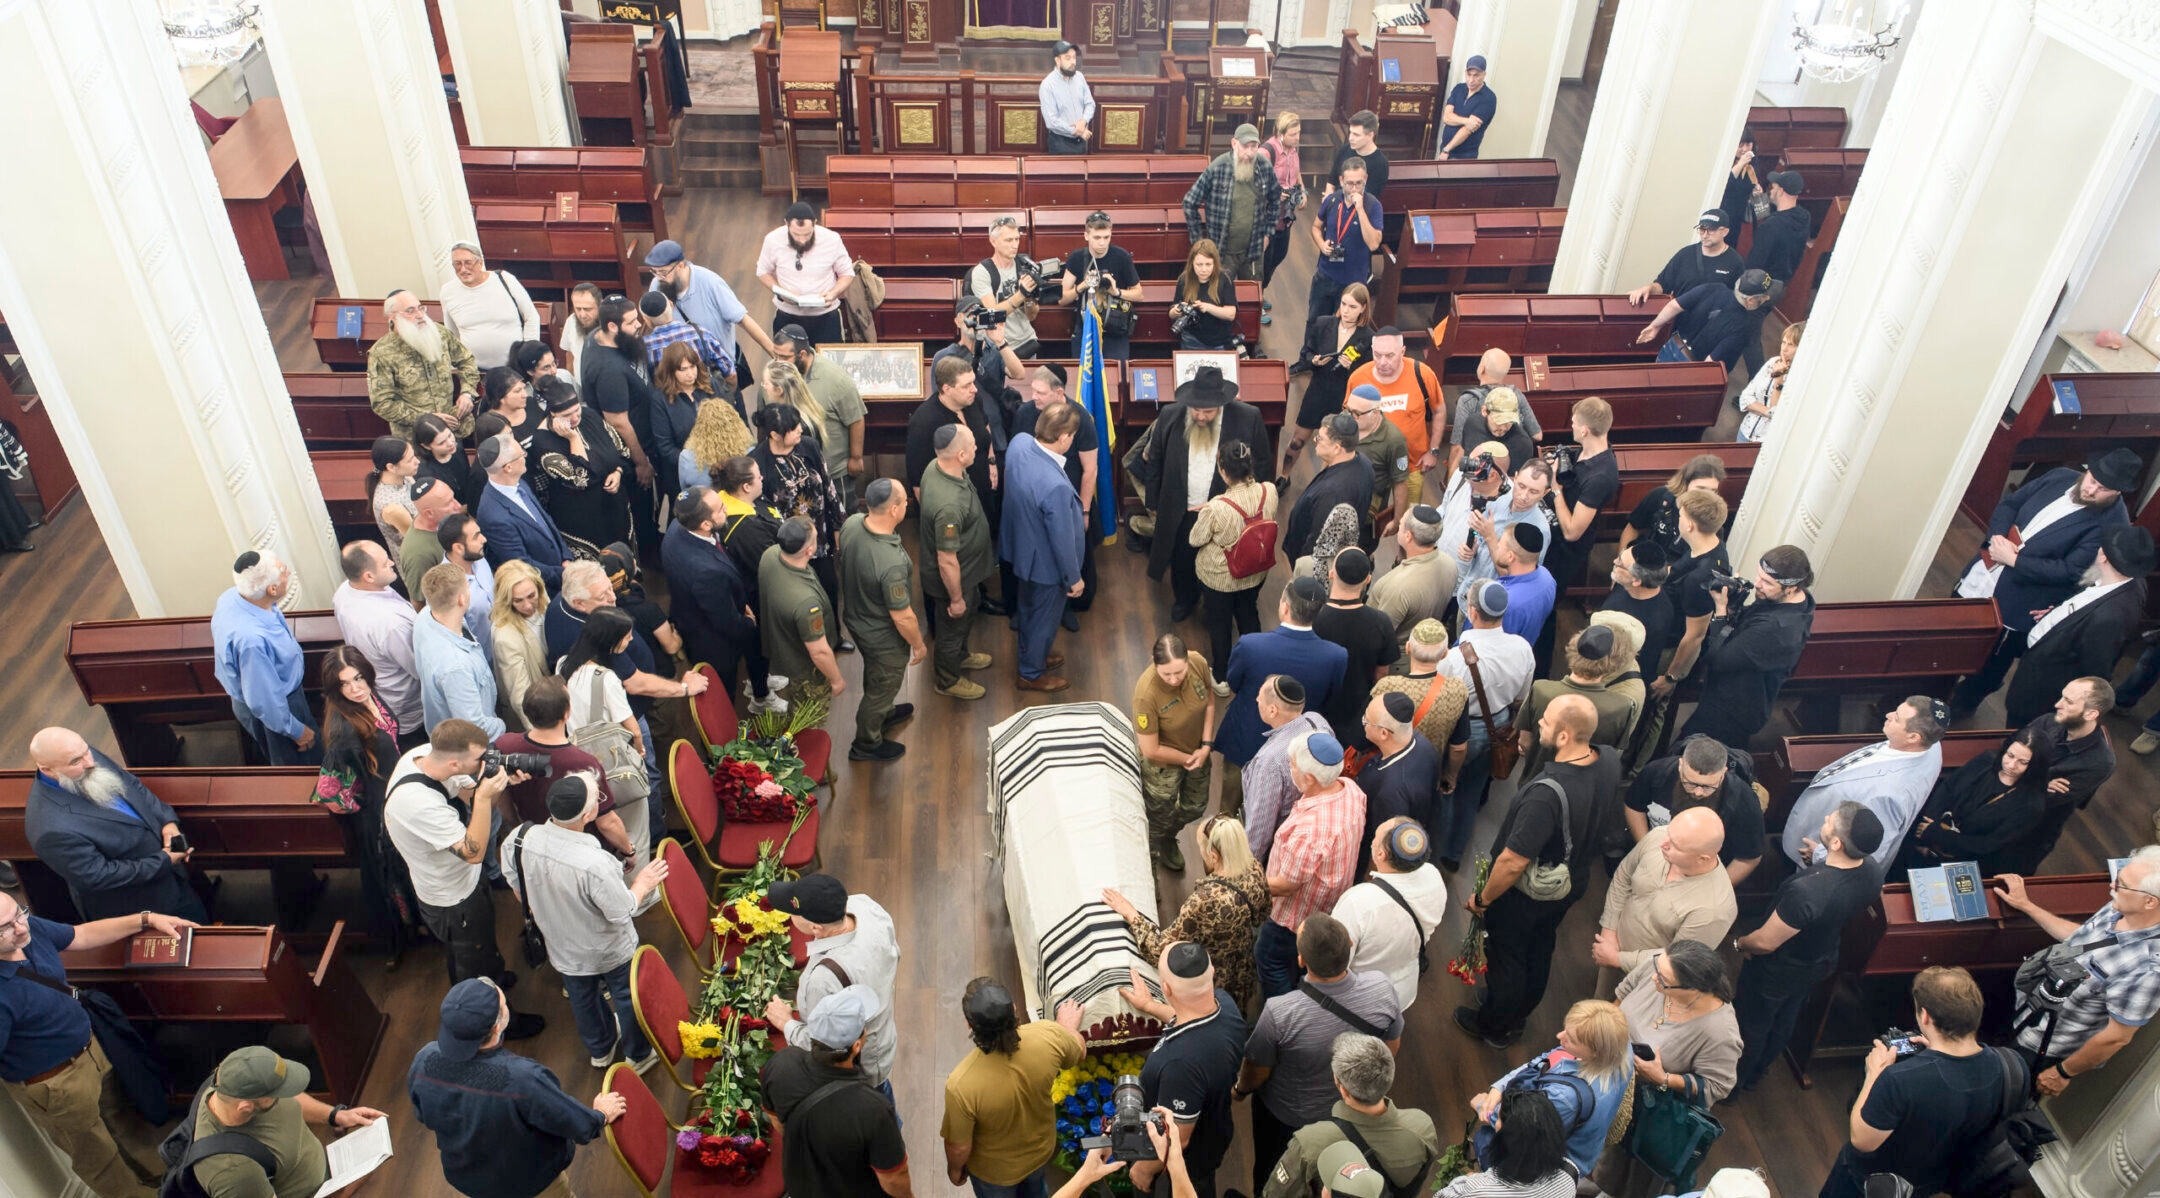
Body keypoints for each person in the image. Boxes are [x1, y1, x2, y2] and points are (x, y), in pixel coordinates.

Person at [0, 890, 196, 1198]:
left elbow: (80, 935)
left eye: (19, 914)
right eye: (6, 928)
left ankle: (165, 1179)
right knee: (99, 1158)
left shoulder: (26, 928)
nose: (21, 927)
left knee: (125, 1122)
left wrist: (145, 918)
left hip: (91, 1050)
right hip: (56, 1084)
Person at [1457, 695, 1621, 1048]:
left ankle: (1496, 1025)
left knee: (1508, 954)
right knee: (1540, 945)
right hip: (1570, 883)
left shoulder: (1545, 796)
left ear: (1564, 737)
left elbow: (1513, 861)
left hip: (1528, 894)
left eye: (1545, 721)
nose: (1539, 724)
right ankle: (1518, 1012)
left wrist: (1483, 898)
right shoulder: (1608, 761)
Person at [1957, 449, 2140, 719]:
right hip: (1985, 570)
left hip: (2021, 598)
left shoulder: (2112, 524)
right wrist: (1997, 537)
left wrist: (2014, 561)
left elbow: (2070, 571)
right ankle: (1938, 682)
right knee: (1955, 631)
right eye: (2091, 480)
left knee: (1991, 661)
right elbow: (2010, 505)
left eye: (2102, 489)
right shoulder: (2060, 476)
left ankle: (1965, 701)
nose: (2091, 490)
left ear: (2118, 493)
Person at [503, 774, 667, 1073]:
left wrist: (549, 910)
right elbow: (622, 910)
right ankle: (639, 1055)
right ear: (589, 814)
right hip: (608, 947)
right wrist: (643, 882)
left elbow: (517, 888)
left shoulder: (517, 839)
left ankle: (601, 1050)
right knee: (626, 996)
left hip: (561, 945)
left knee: (582, 998)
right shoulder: (594, 863)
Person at [383, 721, 540, 1024]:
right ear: (455, 762)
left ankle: (494, 976)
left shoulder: (428, 755)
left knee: (484, 942)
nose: (484, 764)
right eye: (479, 760)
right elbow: (474, 851)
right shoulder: (417, 803)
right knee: (470, 965)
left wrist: (500, 784)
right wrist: (484, 796)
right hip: (451, 898)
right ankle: (495, 1021)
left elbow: (472, 798)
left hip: (466, 881)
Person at [409, 977, 624, 1198]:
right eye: (503, 1004)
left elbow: (423, 1115)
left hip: (469, 1181)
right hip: (528, 1183)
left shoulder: (423, 1059)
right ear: (496, 1027)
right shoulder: (522, 1079)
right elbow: (573, 1122)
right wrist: (600, 1115)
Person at [1238, 912, 1405, 1195]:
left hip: (1286, 1115)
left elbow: (1256, 1071)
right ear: (1350, 944)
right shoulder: (1382, 988)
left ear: (1301, 961)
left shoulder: (1281, 1012)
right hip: (1349, 1112)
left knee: (1273, 1170)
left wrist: (1239, 1089)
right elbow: (1390, 1049)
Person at [1817, 966, 2014, 1198]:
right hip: (1928, 1181)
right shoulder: (2009, 1064)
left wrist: (1873, 1075)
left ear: (1926, 1016)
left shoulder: (1899, 1079)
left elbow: (1862, 1141)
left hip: (1871, 1184)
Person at [1734, 801, 1885, 1092]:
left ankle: (1735, 1082)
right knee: (1787, 1015)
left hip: (1780, 966)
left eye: (1832, 821)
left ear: (1838, 843)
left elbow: (1765, 942)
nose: (1826, 818)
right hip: (1821, 957)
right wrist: (1820, 854)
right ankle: (1759, 1072)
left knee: (1753, 1023)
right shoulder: (1872, 871)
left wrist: (1739, 943)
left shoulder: (1807, 892)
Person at [1994, 846, 2160, 1096]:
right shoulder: (2120, 906)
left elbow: (2117, 1037)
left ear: (2150, 901)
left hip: (2041, 1048)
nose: (2112, 887)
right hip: (2023, 1013)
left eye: (2122, 884)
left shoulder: (2149, 969)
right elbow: (2080, 942)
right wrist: (2028, 906)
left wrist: (2062, 1072)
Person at [1592, 944, 1742, 1196]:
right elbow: (1624, 990)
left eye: (1662, 979)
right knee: (1608, 1144)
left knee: (1636, 1170)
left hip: (1653, 1112)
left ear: (1692, 988)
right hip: (1615, 1082)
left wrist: (1663, 1078)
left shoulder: (1720, 1032)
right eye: (1656, 967)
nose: (1653, 978)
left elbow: (1719, 1085)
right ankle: (1601, 1180)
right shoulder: (1661, 965)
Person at [24, 726, 206, 921]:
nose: (90, 762)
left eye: (86, 751)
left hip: (174, 875)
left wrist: (167, 822)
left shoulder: (81, 754)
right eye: (76, 761)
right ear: (47, 769)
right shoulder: (50, 829)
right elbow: (100, 875)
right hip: (142, 904)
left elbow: (133, 785)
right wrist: (163, 861)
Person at [1138, 365, 1272, 622]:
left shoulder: (1248, 417)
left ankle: (1214, 606)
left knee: (1220, 562)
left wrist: (1252, 506)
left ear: (1221, 405)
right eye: (1195, 409)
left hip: (1225, 510)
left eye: (1207, 411)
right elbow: (1155, 459)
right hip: (1181, 507)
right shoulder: (1170, 414)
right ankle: (1185, 599)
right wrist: (1153, 501)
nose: (1200, 416)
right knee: (1181, 558)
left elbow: (1262, 464)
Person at [314, 648, 425, 957]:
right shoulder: (343, 731)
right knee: (392, 878)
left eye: (359, 677)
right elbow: (331, 794)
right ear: (336, 691)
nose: (356, 688)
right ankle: (404, 938)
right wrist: (369, 800)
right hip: (379, 814)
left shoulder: (370, 698)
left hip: (395, 796)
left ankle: (419, 924)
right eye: (345, 684)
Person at [1116, 942, 1247, 1198]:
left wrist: (1144, 1169)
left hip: (1185, 1161)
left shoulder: (1181, 1066)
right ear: (1211, 974)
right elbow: (1190, 1015)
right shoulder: (1225, 1006)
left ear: (1166, 988)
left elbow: (1179, 1137)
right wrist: (1151, 1006)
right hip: (1215, 1128)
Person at [1103, 816, 1270, 1010]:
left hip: (1210, 979)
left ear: (1214, 856)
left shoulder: (1205, 900)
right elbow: (1261, 915)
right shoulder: (1254, 868)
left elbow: (1159, 951)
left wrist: (1131, 913)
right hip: (1242, 969)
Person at [941, 980, 1088, 1198]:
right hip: (1040, 1153)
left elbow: (959, 1147)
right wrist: (1064, 1029)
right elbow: (1079, 1052)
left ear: (969, 1026)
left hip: (995, 1174)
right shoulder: (1048, 1036)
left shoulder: (961, 1085)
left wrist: (954, 1170)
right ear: (1014, 1009)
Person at [186, 1044, 386, 1198]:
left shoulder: (227, 1083)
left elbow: (289, 1097)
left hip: (325, 1165)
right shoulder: (233, 1171)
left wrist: (335, 1115)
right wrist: (342, 1192)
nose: (283, 1094)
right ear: (246, 1107)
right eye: (275, 1094)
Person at [764, 873, 902, 1093]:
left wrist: (786, 1023)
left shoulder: (824, 978)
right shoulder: (867, 907)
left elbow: (824, 1045)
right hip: (883, 1040)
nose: (789, 917)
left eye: (793, 913)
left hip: (861, 1067)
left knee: (874, 1107)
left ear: (816, 928)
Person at [1433, 580, 1536, 872]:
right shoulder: (1522, 648)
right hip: (1499, 726)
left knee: (1446, 783)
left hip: (1462, 729)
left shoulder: (1455, 657)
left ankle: (1435, 843)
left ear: (1471, 610)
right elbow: (1521, 697)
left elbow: (1441, 700)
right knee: (1472, 790)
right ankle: (1453, 853)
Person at [2004, 524, 2152, 727]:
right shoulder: (2132, 583)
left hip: (2043, 694)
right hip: (2043, 669)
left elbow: (2094, 669)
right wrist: (2060, 616)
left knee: (2018, 735)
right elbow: (2085, 611)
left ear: (2103, 557)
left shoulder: (2110, 618)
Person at [1219, 580, 1349, 809]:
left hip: (1246, 738)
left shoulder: (1250, 645)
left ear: (1285, 607)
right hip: (1297, 752)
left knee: (1229, 804)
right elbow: (1332, 699)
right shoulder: (1336, 656)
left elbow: (1234, 683)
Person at [1261, 1033, 1441, 1198]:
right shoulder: (1421, 1126)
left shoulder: (1311, 1143)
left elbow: (1276, 1194)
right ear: (1389, 1077)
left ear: (1341, 1086)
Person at [1673, 544, 1814, 751]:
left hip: (1732, 709)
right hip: (1738, 693)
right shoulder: (1799, 601)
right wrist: (1734, 607)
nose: (1757, 584)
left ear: (1791, 588)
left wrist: (1721, 612)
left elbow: (1718, 659)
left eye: (1766, 582)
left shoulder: (1774, 629)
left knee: (1691, 752)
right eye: (1759, 576)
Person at [1780, 696, 1947, 869]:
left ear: (1913, 737)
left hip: (1815, 853)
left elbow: (1870, 852)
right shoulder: (1931, 744)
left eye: (1896, 718)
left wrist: (1820, 856)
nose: (1888, 715)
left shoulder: (1888, 796)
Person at [1260, 732, 1368, 998]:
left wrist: (1243, 883)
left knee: (1269, 960)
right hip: (1325, 906)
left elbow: (1286, 886)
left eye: (1292, 764)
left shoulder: (1310, 831)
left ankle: (1284, 1013)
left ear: (1310, 778)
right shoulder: (1350, 789)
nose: (1289, 767)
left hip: (1291, 919)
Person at [1469, 1000, 1630, 1178]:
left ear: (1595, 1052)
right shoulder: (1622, 1048)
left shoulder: (1564, 1098)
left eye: (1571, 1039)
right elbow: (1551, 1057)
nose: (1559, 1036)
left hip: (1551, 1163)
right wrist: (1499, 1087)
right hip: (1584, 1145)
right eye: (1565, 1030)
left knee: (1484, 1138)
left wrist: (1484, 1107)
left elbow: (1518, 1133)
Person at [1593, 807, 1735, 998]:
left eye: (1676, 845)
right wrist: (1609, 932)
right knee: (1599, 1011)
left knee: (1625, 1023)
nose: (1663, 844)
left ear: (1702, 858)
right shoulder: (1662, 836)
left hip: (1653, 982)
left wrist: (1618, 959)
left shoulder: (1715, 908)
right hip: (1610, 949)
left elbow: (1678, 958)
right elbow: (1623, 876)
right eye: (1669, 834)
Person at [841, 480, 930, 761]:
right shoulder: (890, 562)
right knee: (883, 685)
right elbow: (902, 616)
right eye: (904, 502)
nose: (908, 505)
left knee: (877, 675)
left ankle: (885, 711)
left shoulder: (853, 523)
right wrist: (918, 645)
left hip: (857, 618)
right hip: (882, 635)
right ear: (893, 510)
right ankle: (866, 743)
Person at [1003, 403, 1088, 692]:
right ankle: (1030, 673)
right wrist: (1074, 578)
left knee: (1028, 609)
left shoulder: (1020, 443)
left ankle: (1031, 653)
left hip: (1022, 549)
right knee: (1044, 618)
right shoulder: (1056, 486)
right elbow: (1062, 540)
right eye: (1073, 436)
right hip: (1047, 566)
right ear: (1063, 437)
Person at [662, 486, 768, 709]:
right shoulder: (706, 572)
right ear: (706, 525)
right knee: (723, 694)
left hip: (690, 612)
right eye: (720, 509)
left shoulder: (677, 526)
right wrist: (748, 623)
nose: (727, 509)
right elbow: (726, 621)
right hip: (714, 642)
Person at [212, 552, 321, 766]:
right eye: (283, 571)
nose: (288, 572)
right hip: (279, 708)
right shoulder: (252, 641)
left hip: (273, 698)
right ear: (272, 589)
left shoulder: (233, 596)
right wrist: (295, 730)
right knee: (305, 765)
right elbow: (264, 699)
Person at [1898, 727, 2052, 878]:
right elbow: (1947, 788)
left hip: (1960, 862)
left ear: (2035, 766)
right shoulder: (1987, 760)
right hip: (1927, 833)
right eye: (2010, 755)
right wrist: (1925, 831)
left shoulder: (2031, 805)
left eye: (2023, 762)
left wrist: (1935, 834)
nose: (2011, 765)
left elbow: (1987, 844)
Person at [918, 424, 998, 702]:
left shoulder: (937, 465)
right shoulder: (948, 506)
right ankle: (948, 679)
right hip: (955, 580)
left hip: (969, 572)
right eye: (974, 444)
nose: (978, 447)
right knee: (952, 629)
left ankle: (962, 656)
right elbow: (946, 560)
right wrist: (955, 599)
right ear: (961, 455)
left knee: (963, 622)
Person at [1334, 818, 1447, 1008]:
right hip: (1402, 990)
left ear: (1380, 854)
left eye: (1375, 839)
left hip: (1358, 1000)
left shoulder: (1358, 902)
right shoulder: (1433, 875)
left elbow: (1336, 965)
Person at [1132, 634, 1220, 868]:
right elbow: (1150, 749)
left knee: (1195, 808)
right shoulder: (1146, 694)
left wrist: (1206, 746)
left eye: (1179, 673)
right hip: (1163, 766)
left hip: (1198, 753)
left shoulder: (1198, 662)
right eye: (1166, 674)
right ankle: (1149, 866)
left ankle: (1168, 837)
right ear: (1154, 664)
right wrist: (1188, 758)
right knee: (1156, 818)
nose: (1173, 680)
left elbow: (1210, 702)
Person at [1623, 736, 1765, 880]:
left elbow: (1749, 858)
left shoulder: (1743, 801)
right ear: (1680, 765)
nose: (1698, 792)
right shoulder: (1657, 773)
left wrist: (1715, 888)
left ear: (1723, 773)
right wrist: (1646, 849)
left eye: (1708, 787)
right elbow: (1634, 807)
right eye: (1690, 783)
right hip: (1654, 857)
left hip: (1702, 873)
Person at [753, 397, 848, 612]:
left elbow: (828, 486)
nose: (800, 429)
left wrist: (837, 525)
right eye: (793, 428)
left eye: (798, 424)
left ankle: (833, 636)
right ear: (774, 435)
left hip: (820, 537)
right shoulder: (759, 462)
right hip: (789, 542)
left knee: (828, 587)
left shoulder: (810, 446)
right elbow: (762, 509)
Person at [646, 239, 782, 390]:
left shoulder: (711, 283)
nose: (659, 278)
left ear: (680, 265)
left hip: (718, 372)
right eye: (654, 272)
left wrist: (775, 354)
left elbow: (743, 320)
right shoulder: (657, 285)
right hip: (682, 377)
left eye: (663, 272)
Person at [1190, 440, 1278, 671]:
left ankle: (1221, 675)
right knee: (1249, 612)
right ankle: (1255, 665)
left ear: (1223, 471)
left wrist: (1208, 511)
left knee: (1220, 625)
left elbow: (1195, 539)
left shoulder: (1217, 506)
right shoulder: (1269, 490)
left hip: (1221, 578)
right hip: (1256, 570)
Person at [1517, 625, 1640, 780]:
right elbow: (1612, 756)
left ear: (1575, 646)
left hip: (1537, 778)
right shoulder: (1622, 707)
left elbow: (1525, 742)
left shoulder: (1541, 690)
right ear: (1616, 661)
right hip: (1584, 788)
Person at [1284, 285, 1376, 485]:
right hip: (1317, 392)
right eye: (1343, 304)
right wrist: (1313, 361)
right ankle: (1284, 475)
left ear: (1363, 308)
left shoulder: (1368, 338)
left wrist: (1351, 367)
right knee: (1297, 441)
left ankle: (1321, 483)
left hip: (1342, 399)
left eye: (1352, 306)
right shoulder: (1323, 324)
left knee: (1333, 449)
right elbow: (1306, 353)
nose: (1345, 310)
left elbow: (1367, 374)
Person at [528, 383, 632, 559]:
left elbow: (622, 452)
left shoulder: (590, 416)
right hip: (581, 521)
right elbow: (581, 479)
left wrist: (618, 472)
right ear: (553, 413)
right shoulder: (542, 442)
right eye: (567, 415)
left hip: (614, 509)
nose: (575, 418)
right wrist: (573, 438)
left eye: (577, 410)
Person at [1442, 452, 1553, 612]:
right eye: (1521, 486)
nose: (1523, 496)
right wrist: (1473, 550)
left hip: (1490, 608)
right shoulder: (1498, 500)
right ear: (1514, 477)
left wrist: (1490, 537)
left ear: (1545, 493)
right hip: (1467, 592)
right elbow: (1479, 539)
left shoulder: (1538, 531)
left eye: (1533, 492)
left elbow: (1516, 580)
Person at [1239, 674, 1335, 854]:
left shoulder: (1269, 762)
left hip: (1282, 845)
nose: (1257, 701)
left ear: (1273, 710)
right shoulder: (1317, 721)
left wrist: (1247, 869)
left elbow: (1259, 833)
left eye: (1259, 699)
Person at [369, 289, 479, 439]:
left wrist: (467, 393)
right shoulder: (381, 353)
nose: (420, 315)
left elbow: (467, 360)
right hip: (415, 439)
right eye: (410, 311)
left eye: (421, 308)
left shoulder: (439, 333)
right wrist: (427, 418)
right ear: (392, 316)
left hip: (452, 431)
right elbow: (382, 403)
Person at [760, 517, 847, 704]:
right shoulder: (807, 604)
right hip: (804, 669)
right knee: (809, 714)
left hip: (781, 648)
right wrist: (837, 679)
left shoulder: (770, 554)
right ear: (810, 550)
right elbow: (819, 652)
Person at [410, 562, 501, 739]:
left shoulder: (425, 617)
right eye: (468, 588)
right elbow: (475, 727)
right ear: (461, 599)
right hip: (470, 749)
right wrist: (503, 725)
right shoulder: (456, 667)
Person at [475, 432, 573, 593]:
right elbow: (521, 565)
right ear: (508, 467)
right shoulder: (493, 516)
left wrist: (565, 557)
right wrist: (564, 573)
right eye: (522, 455)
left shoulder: (518, 482)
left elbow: (545, 521)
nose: (525, 456)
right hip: (544, 590)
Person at [1182, 124, 1282, 281]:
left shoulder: (1264, 167)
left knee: (1251, 297)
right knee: (1219, 297)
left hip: (1253, 249)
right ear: (1234, 143)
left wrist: (1268, 234)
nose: (1249, 153)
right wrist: (1198, 243)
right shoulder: (1218, 167)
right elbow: (1189, 202)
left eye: (1254, 146)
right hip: (1222, 251)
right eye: (1245, 146)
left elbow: (1276, 200)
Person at [1541, 397, 1618, 592]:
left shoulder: (1600, 476)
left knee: (1547, 595)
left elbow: (1572, 532)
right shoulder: (1587, 452)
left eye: (1574, 423)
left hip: (1564, 552)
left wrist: (1555, 488)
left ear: (1584, 430)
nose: (1572, 427)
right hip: (1551, 534)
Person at [1633, 270, 1777, 374]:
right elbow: (1710, 363)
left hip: (1670, 347)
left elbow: (1673, 306)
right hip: (1689, 369)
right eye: (1764, 297)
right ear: (1751, 300)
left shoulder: (1714, 288)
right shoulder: (1744, 327)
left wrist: (1654, 326)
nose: (1767, 299)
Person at [757, 201, 855, 344]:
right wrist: (782, 293)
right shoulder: (772, 240)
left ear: (815, 223)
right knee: (787, 363)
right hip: (788, 314)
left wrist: (834, 293)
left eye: (807, 234)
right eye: (796, 234)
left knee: (828, 362)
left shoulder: (832, 239)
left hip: (825, 315)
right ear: (786, 224)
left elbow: (847, 273)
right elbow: (763, 272)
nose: (802, 240)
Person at [1285, 414, 1376, 565]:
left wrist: (1303, 568)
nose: (1315, 440)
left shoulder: (1333, 493)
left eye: (1320, 438)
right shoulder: (1364, 463)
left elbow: (1317, 542)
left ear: (1336, 448)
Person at [1371, 506, 1456, 652]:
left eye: (1401, 523)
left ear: (1408, 536)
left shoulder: (1397, 586)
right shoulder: (1450, 564)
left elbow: (1379, 636)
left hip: (1399, 656)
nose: (1399, 526)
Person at [1446, 351, 1543, 476]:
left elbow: (1457, 446)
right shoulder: (1517, 395)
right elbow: (1537, 435)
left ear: (1482, 369)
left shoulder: (1468, 400)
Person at [1311, 159, 1384, 326]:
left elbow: (1373, 244)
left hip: (1353, 282)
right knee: (1315, 322)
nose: (1354, 188)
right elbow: (1315, 227)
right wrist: (1321, 244)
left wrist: (1360, 210)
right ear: (1341, 180)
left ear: (1365, 178)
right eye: (1350, 183)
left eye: (1359, 183)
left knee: (1344, 326)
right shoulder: (1332, 200)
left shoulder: (1373, 206)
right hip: (1325, 275)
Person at [1627, 210, 1745, 309]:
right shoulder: (1686, 254)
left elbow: (1736, 300)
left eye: (1711, 230)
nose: (1705, 235)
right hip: (1679, 321)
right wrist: (1647, 288)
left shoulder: (1735, 262)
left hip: (1710, 327)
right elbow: (1663, 285)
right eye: (1702, 229)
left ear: (1725, 232)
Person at [1620, 453, 1727, 561]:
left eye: (1712, 491)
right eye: (1700, 488)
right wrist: (1621, 560)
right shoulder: (1660, 495)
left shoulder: (1712, 520)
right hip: (1645, 559)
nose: (1706, 496)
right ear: (1686, 483)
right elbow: (1633, 527)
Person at [1600, 541, 1682, 682]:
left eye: (1620, 563)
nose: (1614, 561)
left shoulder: (1655, 620)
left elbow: (1637, 666)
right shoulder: (1625, 584)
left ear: (1636, 580)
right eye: (1620, 556)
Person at [971, 216, 1044, 359]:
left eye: (1017, 239)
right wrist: (1020, 295)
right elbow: (992, 315)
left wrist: (1030, 297)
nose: (1014, 245)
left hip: (1027, 342)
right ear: (993, 241)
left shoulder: (1024, 265)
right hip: (999, 347)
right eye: (1008, 240)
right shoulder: (982, 272)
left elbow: (1032, 316)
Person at [489, 560, 551, 729]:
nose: (528, 605)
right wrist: (543, 737)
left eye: (531, 596)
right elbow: (520, 697)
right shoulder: (506, 638)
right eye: (518, 600)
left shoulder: (544, 603)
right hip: (536, 719)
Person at [1343, 386, 1409, 540]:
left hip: (1367, 509)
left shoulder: (1394, 440)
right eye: (1348, 410)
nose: (1351, 416)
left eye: (1357, 413)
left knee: (1363, 548)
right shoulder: (1344, 422)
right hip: (1339, 498)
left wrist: (1397, 520)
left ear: (1375, 412)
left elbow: (1400, 483)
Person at [1260, 112, 1308, 319]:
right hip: (1268, 212)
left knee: (1280, 253)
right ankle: (1256, 299)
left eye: (1298, 133)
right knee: (1264, 258)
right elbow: (1257, 181)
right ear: (1280, 133)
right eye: (1293, 134)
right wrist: (1274, 191)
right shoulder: (1267, 151)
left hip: (1285, 212)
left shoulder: (1293, 150)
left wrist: (1302, 191)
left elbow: (1296, 172)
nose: (1297, 137)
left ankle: (1261, 291)